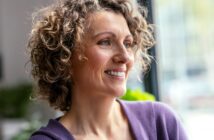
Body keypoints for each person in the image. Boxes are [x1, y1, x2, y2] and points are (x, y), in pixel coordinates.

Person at [28, 0, 188, 139]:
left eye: (127, 43)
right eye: (105, 42)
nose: (125, 57)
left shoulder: (161, 122)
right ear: (65, 56)